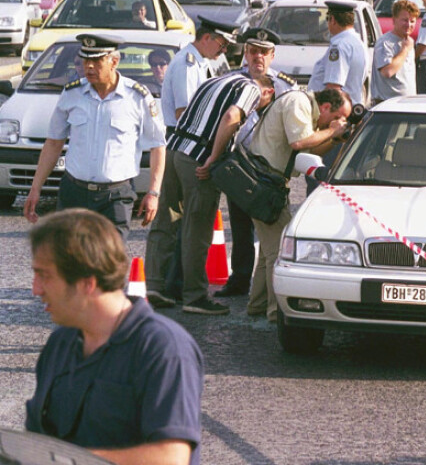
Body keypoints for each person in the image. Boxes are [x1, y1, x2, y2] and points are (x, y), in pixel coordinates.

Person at [25, 209, 204, 464]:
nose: (35, 289)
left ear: (87, 282)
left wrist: (67, 460)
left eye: (45, 276)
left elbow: (171, 458)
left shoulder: (163, 349)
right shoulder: (61, 343)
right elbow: (34, 441)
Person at [144, 73, 275, 315]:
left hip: (173, 152)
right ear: (268, 92)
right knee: (197, 227)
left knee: (169, 219)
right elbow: (231, 116)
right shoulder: (252, 89)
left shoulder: (214, 81)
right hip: (197, 160)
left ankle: (155, 286)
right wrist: (213, 157)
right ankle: (195, 297)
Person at [23, 34, 165, 239]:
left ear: (114, 62)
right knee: (69, 260)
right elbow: (53, 143)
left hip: (115, 196)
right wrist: (35, 188)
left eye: (96, 61)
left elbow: (158, 146)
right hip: (75, 193)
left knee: (109, 263)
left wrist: (153, 193)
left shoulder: (137, 97)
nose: (89, 67)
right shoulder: (72, 93)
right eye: (85, 60)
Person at [246, 88, 352, 321]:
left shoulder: (310, 111)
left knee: (267, 249)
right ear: (325, 107)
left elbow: (311, 150)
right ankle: (276, 312)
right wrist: (331, 130)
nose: (337, 122)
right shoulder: (298, 102)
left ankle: (258, 303)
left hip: (271, 182)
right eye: (337, 117)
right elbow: (299, 143)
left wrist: (335, 137)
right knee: (279, 249)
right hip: (263, 181)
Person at [215, 28, 297, 299]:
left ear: (273, 55)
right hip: (240, 164)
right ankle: (240, 279)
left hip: (270, 168)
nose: (258, 57)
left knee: (271, 226)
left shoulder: (286, 85)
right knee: (240, 227)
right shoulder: (230, 81)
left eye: (264, 52)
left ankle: (269, 285)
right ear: (245, 53)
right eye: (253, 51)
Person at [161, 17, 236, 136]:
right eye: (222, 45)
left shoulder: (200, 61)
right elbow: (183, 112)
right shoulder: (186, 65)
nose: (225, 50)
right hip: (182, 137)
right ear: (206, 38)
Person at [308, 0, 368, 106]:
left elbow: (333, 88)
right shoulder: (357, 42)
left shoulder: (339, 46)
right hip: (351, 107)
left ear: (333, 20)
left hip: (336, 111)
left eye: (328, 19)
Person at [371, 0, 418, 104]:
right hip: (389, 105)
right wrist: (404, 50)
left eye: (412, 21)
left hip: (407, 103)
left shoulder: (408, 41)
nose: (408, 24)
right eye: (404, 20)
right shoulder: (385, 43)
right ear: (394, 20)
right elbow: (387, 71)